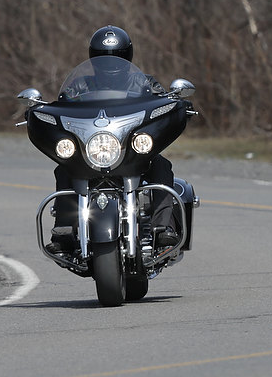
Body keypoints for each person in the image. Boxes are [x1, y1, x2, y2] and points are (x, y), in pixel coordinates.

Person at [47, 25, 179, 254]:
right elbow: (62, 106)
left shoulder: (145, 84)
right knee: (65, 168)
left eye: (117, 57)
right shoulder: (79, 86)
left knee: (161, 165)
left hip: (129, 150)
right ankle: (64, 230)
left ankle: (163, 227)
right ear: (93, 57)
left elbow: (162, 103)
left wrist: (176, 104)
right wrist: (41, 111)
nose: (110, 64)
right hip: (93, 150)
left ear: (127, 56)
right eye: (103, 58)